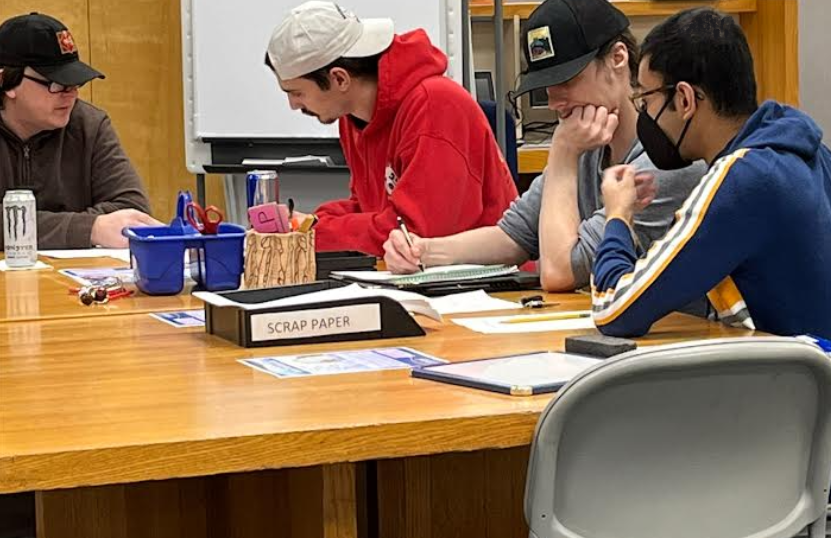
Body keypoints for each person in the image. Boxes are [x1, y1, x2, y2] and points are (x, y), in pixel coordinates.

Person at [383, 0, 705, 292]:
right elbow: (513, 236)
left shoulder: (669, 162)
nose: (554, 102)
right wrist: (424, 251)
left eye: (566, 81)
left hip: (674, 336)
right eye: (546, 86)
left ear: (617, 59)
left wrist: (563, 154)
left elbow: (560, 272)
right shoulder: (586, 144)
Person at [591, 7, 831, 338]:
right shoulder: (806, 151)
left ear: (685, 99)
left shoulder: (741, 180)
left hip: (795, 373)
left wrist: (618, 216)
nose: (644, 114)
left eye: (646, 101)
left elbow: (614, 308)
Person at [265, 1, 518, 256]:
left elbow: (415, 236)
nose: (293, 105)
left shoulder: (434, 105)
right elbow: (370, 209)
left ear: (340, 78)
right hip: (420, 273)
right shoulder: (353, 118)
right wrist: (310, 222)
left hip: (492, 277)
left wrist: (317, 233)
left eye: (297, 93)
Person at [0, 13, 158, 251]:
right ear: (7, 82)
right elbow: (102, 226)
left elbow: (132, 212)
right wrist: (90, 229)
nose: (71, 95)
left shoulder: (89, 125)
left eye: (76, 83)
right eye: (56, 84)